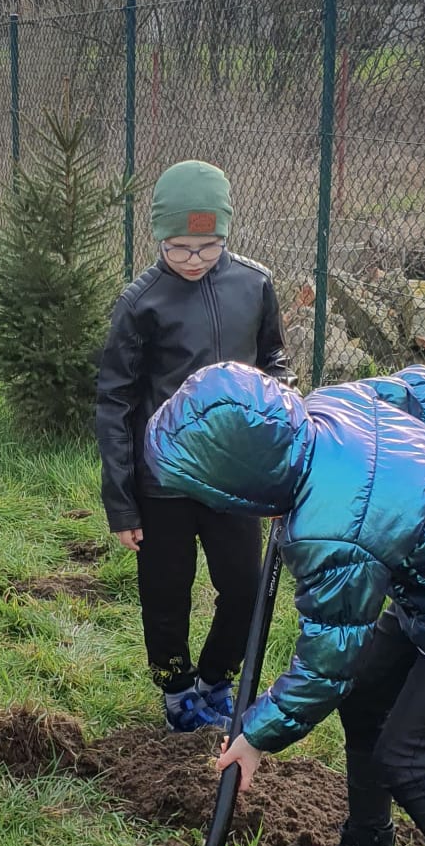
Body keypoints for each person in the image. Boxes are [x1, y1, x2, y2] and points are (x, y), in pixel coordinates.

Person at [145, 360, 425, 846]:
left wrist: (255, 734)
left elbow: (326, 666)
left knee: (404, 761)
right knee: (366, 700)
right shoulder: (330, 405)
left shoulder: (333, 530)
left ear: (241, 481)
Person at [96, 159, 288, 733]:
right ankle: (177, 688)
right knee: (165, 590)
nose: (194, 260)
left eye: (208, 247)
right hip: (164, 482)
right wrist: (123, 503)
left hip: (234, 476)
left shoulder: (254, 284)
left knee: (245, 587)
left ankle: (216, 678)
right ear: (158, 236)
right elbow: (114, 401)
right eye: (179, 248)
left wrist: (280, 427)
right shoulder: (142, 302)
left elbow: (275, 363)